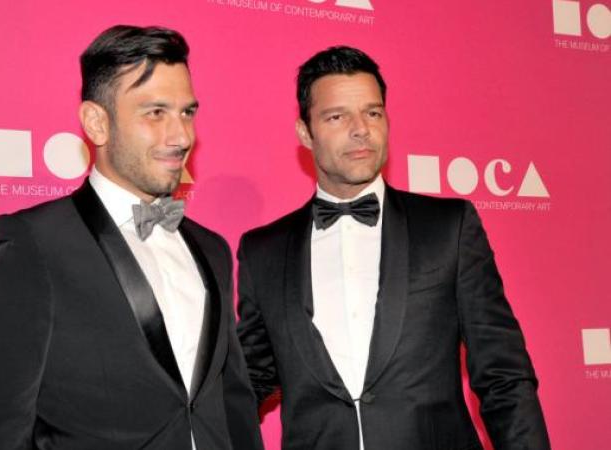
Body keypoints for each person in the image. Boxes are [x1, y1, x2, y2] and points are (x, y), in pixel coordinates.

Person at [0, 25, 263, 450]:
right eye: (156, 113)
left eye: (187, 113)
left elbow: (233, 403)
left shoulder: (212, 249)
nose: (181, 137)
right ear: (97, 123)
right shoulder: (32, 246)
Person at [236, 46, 550, 450]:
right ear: (305, 133)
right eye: (337, 117)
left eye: (372, 113)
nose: (360, 129)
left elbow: (503, 375)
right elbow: (249, 380)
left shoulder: (448, 228)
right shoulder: (263, 251)